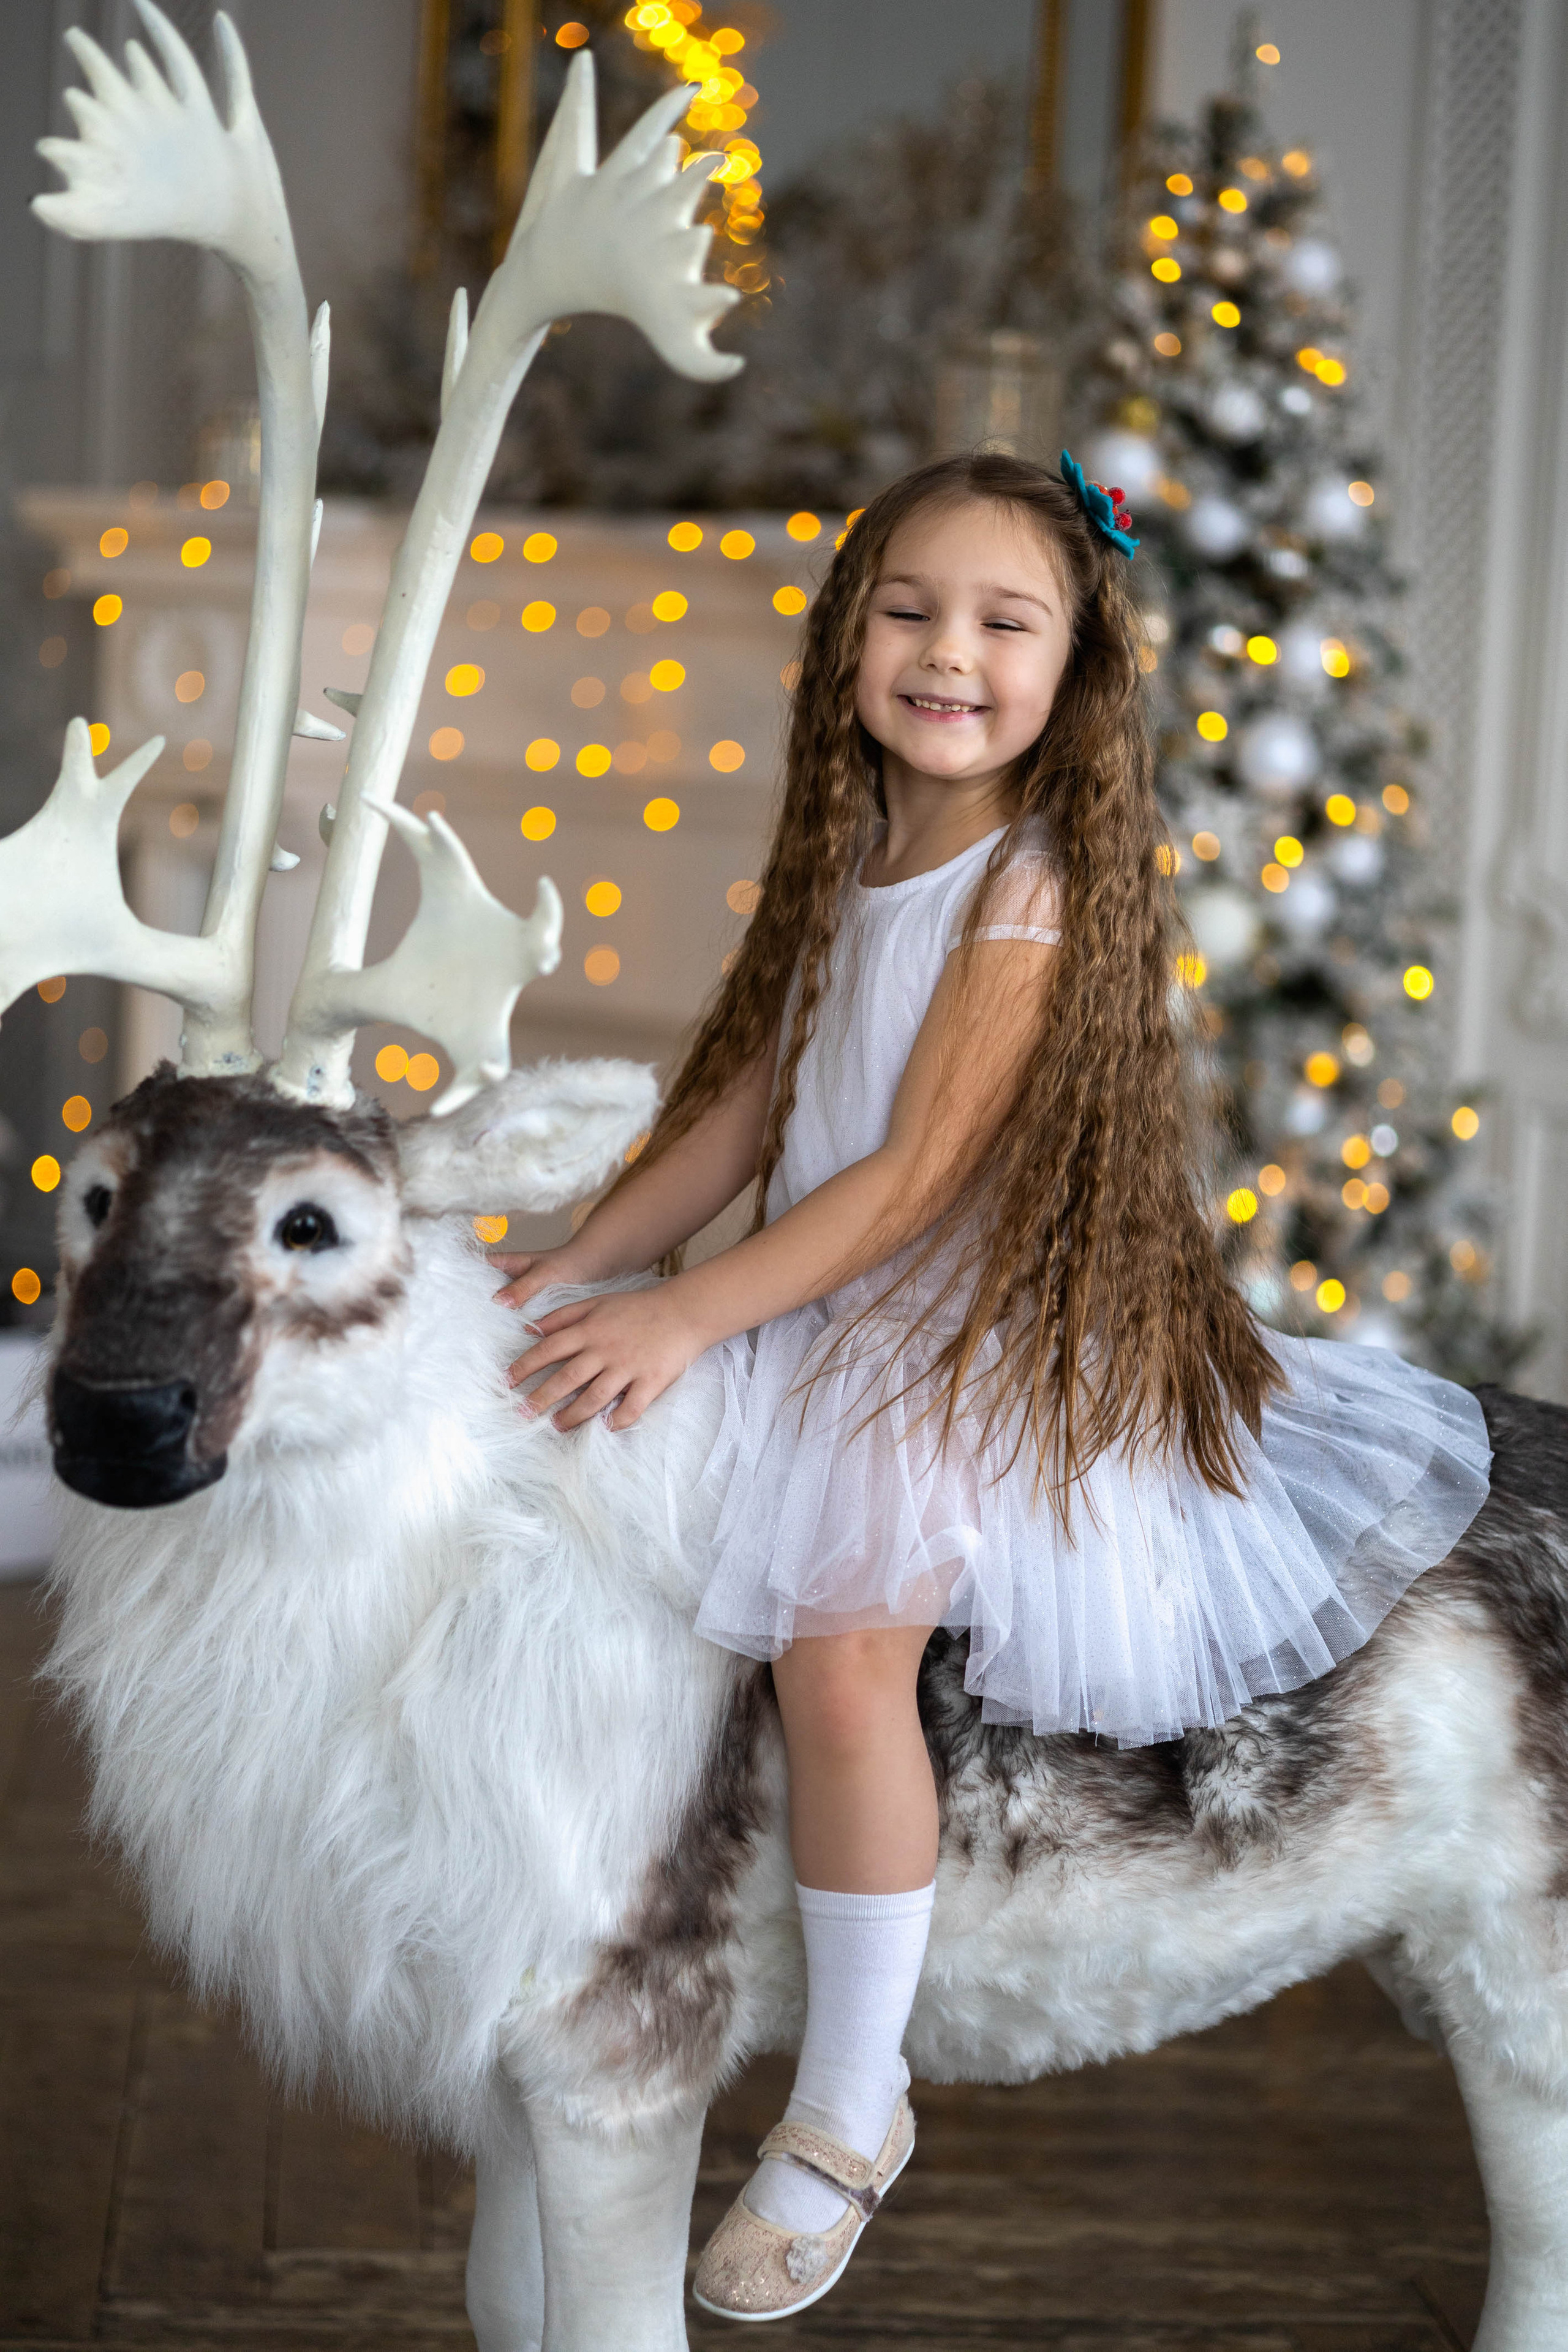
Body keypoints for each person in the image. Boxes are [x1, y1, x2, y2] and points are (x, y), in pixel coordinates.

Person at [491, 450, 1491, 2321]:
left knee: (841, 1642)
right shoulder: (857, 842)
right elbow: (747, 1114)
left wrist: (692, 1320)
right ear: (847, 643)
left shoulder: (1026, 886)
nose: (948, 654)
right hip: (818, 1307)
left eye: (1003, 622)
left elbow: (906, 1181)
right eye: (908, 612)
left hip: (963, 1342)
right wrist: (585, 1262)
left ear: (1075, 669)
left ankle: (851, 2103)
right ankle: (635, 1931)